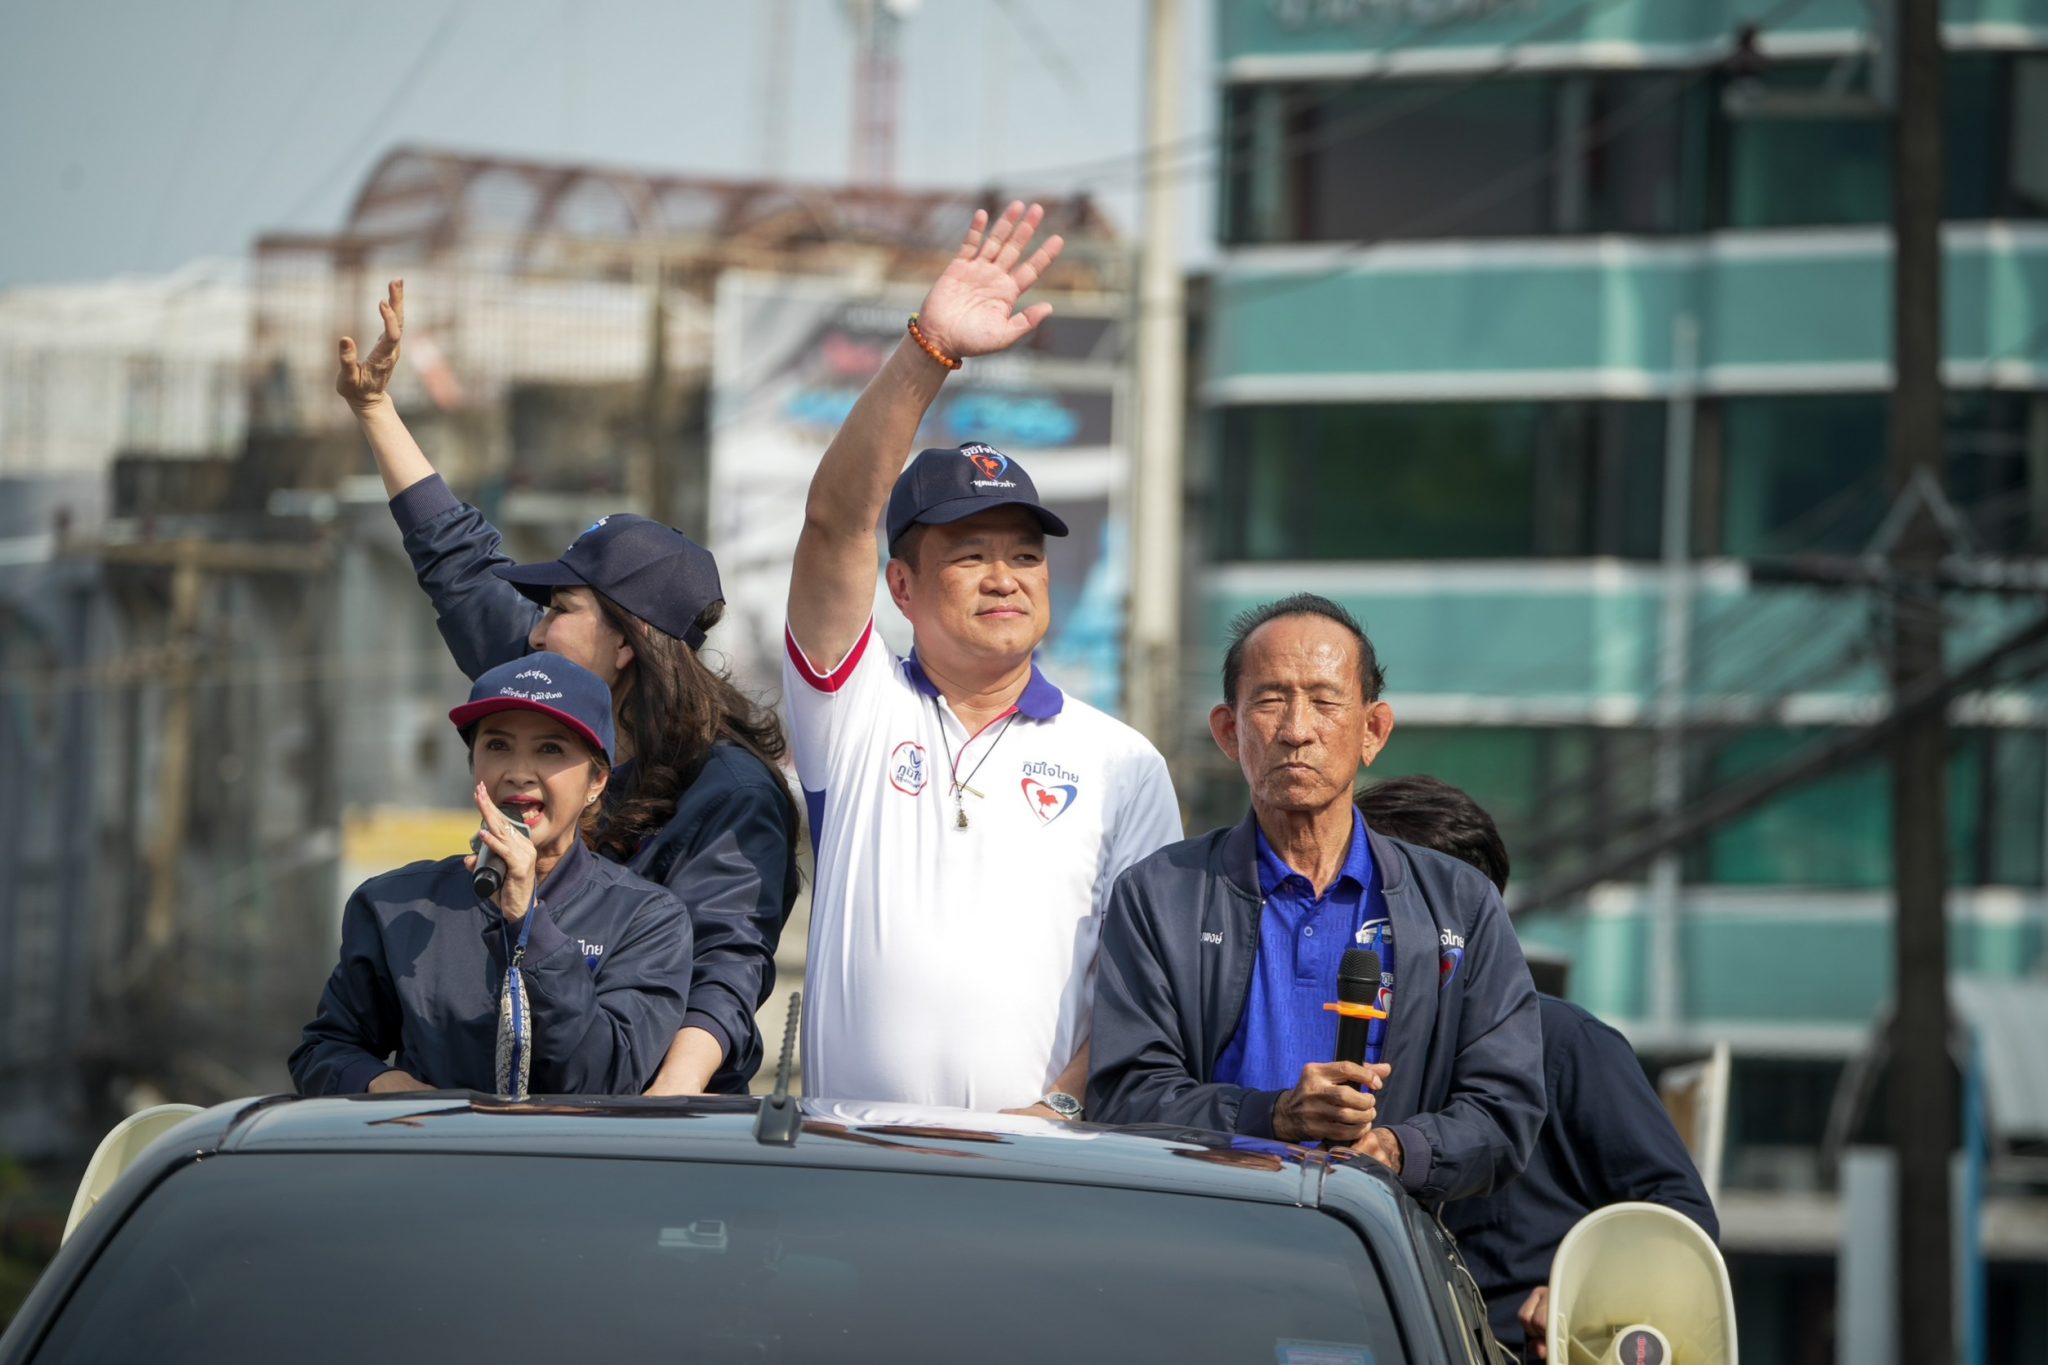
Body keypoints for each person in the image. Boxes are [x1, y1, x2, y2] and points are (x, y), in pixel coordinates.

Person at [334, 282, 798, 1096]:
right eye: (503, 745)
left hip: (646, 1104)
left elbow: (727, 969)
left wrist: (654, 1115)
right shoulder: (547, 691)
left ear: (627, 642)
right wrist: (374, 408)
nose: (539, 630)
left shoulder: (728, 788)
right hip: (508, 1085)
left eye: (561, 607)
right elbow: (456, 562)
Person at [784, 202, 1182, 1113]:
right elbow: (834, 522)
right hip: (853, 1164)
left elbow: (1148, 986)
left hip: (1035, 1175)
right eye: (969, 554)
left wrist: (1058, 1109)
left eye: (1026, 555)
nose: (1006, 578)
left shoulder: (1123, 763)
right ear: (902, 584)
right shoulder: (855, 708)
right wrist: (927, 350)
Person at [1088, 594, 1545, 1206]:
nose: (1297, 730)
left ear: (1372, 731)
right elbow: (1125, 1095)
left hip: (1373, 1241)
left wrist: (1398, 1150)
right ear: (1229, 731)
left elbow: (1506, 1107)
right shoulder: (1159, 894)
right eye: (1270, 700)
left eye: (1326, 701)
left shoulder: (1459, 902)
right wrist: (1272, 1115)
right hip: (1203, 1232)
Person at [1357, 773, 1718, 1358]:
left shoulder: (1567, 1043)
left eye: (1364, 894)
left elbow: (1678, 1216)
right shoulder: (1326, 1033)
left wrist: (1586, 1297)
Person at [291, 653, 694, 1096]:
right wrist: (385, 1084)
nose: (518, 773)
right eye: (498, 746)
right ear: (473, 766)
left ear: (597, 781)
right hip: (435, 1141)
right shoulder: (396, 905)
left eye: (550, 749)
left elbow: (603, 1081)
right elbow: (324, 1050)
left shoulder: (645, 918)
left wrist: (529, 923)